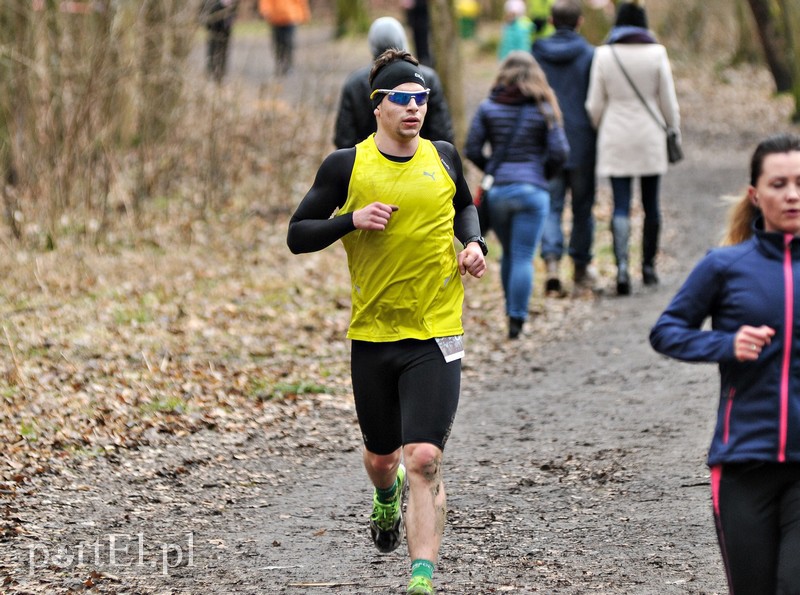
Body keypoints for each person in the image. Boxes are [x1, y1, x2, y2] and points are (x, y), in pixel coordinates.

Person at [287, 49, 487, 595]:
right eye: (403, 99)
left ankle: (421, 579)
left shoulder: (444, 156)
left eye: (421, 99)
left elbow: (465, 206)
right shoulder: (346, 166)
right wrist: (351, 219)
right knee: (384, 458)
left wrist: (474, 243)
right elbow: (298, 234)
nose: (414, 108)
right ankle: (384, 494)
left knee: (424, 458)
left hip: (436, 330)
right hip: (374, 334)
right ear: (378, 106)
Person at [649, 132, 800, 595]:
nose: (792, 194)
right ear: (755, 194)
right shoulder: (724, 265)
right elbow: (667, 331)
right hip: (742, 464)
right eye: (778, 184)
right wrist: (727, 344)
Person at [465, 51, 568, 339]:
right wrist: (542, 174)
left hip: (499, 192)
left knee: (510, 253)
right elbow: (560, 151)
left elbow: (472, 148)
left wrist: (493, 169)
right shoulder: (544, 107)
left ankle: (510, 310)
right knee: (523, 255)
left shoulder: (489, 106)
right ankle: (517, 319)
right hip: (534, 192)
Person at [585, 0, 680, 295]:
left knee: (621, 204)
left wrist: (602, 126)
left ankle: (623, 269)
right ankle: (648, 268)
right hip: (650, 136)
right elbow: (668, 101)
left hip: (615, 134)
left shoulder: (604, 54)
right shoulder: (657, 53)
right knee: (651, 204)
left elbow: (594, 104)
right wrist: (673, 128)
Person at [533, 0, 597, 295]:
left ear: (551, 21)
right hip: (582, 141)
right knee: (583, 207)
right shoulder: (590, 54)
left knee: (551, 205)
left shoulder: (536, 53)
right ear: (580, 22)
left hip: (548, 139)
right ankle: (580, 268)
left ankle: (552, 265)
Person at [333, 16, 454, 150]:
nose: (413, 106)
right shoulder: (428, 78)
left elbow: (344, 139)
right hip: (413, 159)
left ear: (372, 45)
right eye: (400, 97)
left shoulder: (354, 82)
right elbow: (442, 133)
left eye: (420, 97)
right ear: (402, 40)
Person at [258, 0, 310, 75]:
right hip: (275, 19)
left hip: (290, 18)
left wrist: (305, 14)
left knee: (289, 43)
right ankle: (280, 62)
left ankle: (289, 65)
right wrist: (265, 10)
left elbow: (301, 2)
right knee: (278, 43)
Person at [200, 0, 238, 83]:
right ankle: (211, 72)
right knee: (212, 50)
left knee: (223, 51)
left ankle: (220, 74)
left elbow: (234, 8)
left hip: (225, 28)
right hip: (213, 26)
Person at [401, 0, 432, 66]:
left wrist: (414, 3)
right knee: (417, 45)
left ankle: (425, 63)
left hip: (423, 21)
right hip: (415, 21)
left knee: (424, 46)